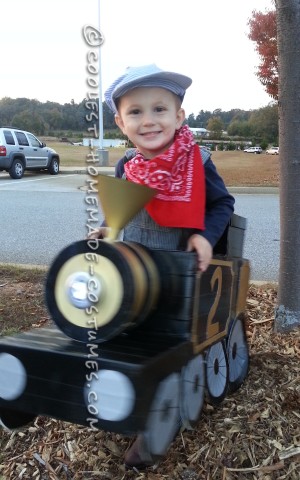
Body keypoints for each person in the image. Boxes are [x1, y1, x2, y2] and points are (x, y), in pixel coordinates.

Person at [93, 64, 235, 468]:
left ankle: (154, 421)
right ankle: (121, 394)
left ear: (179, 117)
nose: (149, 120)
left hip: (177, 272)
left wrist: (204, 235)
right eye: (135, 112)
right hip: (134, 271)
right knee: (122, 331)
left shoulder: (198, 160)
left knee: (163, 342)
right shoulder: (126, 167)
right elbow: (122, 213)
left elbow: (223, 203)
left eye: (159, 109)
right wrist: (106, 229)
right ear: (121, 122)